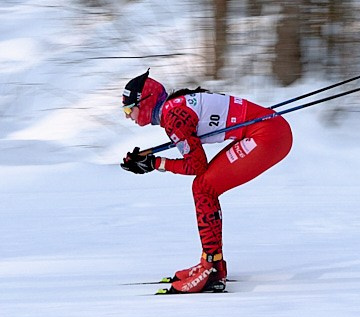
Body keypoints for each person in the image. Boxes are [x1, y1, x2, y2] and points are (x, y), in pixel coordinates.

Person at [119, 70, 292, 293]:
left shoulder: (174, 116)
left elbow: (196, 166)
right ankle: (213, 264)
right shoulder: (173, 109)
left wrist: (155, 164)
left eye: (128, 109)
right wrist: (151, 160)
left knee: (203, 187)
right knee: (204, 186)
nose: (127, 116)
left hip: (267, 136)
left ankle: (210, 267)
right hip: (269, 130)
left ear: (145, 103)